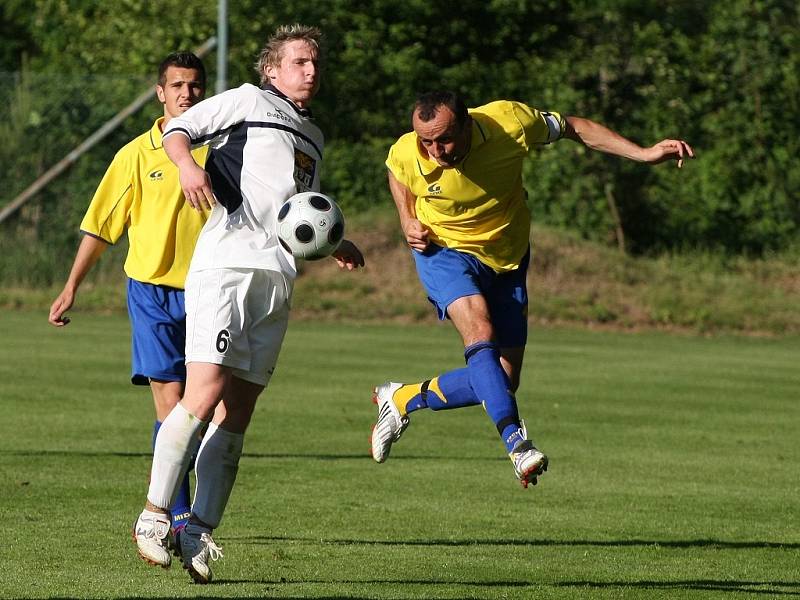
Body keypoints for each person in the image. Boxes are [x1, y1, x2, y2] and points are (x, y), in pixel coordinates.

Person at [132, 24, 365, 584]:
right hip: (226, 267)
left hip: (277, 280)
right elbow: (179, 130)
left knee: (238, 413)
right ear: (273, 69)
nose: (311, 71)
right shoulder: (247, 100)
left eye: (315, 63)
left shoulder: (314, 135)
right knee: (203, 391)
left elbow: (292, 211)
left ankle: (199, 532)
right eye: (300, 62)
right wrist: (188, 165)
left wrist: (331, 240)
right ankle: (155, 513)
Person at [371, 91, 694, 488]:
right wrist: (406, 219)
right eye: (427, 141)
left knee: (501, 379)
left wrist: (643, 154)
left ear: (468, 123)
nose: (435, 150)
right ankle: (517, 443)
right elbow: (397, 171)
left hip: (508, 257)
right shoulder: (409, 149)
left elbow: (576, 127)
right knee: (479, 331)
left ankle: (402, 398)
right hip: (444, 250)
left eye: (446, 139)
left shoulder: (510, 122)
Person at [48, 52, 209, 534]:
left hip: (208, 293)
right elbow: (100, 227)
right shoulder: (136, 155)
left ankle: (166, 502)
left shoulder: (221, 149)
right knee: (173, 399)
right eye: (176, 85)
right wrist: (72, 285)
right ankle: (177, 514)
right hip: (152, 292)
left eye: (195, 85)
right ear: (160, 92)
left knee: (207, 410)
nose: (186, 93)